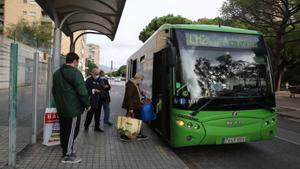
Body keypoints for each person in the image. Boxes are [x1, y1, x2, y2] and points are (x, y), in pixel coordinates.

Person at [52, 52, 91, 163]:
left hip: (61, 108)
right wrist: (87, 104)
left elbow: (54, 91)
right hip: (73, 109)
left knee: (64, 130)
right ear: (74, 61)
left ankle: (66, 149)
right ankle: (67, 155)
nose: (78, 64)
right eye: (77, 61)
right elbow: (82, 91)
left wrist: (60, 103)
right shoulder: (75, 73)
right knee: (72, 131)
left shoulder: (57, 74)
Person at [121, 72, 148, 141]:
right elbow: (129, 97)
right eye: (141, 79)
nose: (141, 81)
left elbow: (137, 93)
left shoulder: (135, 84)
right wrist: (131, 108)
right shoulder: (130, 85)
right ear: (137, 78)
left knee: (136, 120)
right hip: (133, 106)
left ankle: (137, 134)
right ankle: (124, 136)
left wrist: (142, 93)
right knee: (129, 120)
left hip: (136, 105)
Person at [84, 68, 104, 132]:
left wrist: (103, 89)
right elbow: (85, 91)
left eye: (98, 74)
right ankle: (86, 125)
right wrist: (93, 90)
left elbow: (102, 88)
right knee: (89, 116)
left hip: (99, 101)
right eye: (96, 74)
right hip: (91, 101)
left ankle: (97, 127)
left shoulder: (100, 80)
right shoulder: (88, 80)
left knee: (98, 116)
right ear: (92, 73)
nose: (97, 75)